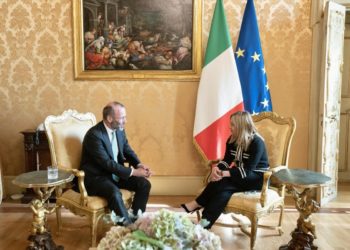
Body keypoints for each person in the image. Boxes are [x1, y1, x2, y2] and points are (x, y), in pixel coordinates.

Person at [181, 111, 269, 229]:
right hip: (240, 174)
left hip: (257, 178)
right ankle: (203, 224)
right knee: (223, 192)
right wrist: (216, 169)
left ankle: (197, 204)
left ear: (241, 125)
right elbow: (227, 160)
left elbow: (248, 171)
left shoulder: (257, 142)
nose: (230, 127)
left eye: (232, 124)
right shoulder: (232, 139)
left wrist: (223, 173)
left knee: (222, 181)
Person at [80, 101, 152, 225]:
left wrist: (138, 165)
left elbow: (127, 149)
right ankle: (127, 228)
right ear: (109, 118)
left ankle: (136, 219)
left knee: (144, 184)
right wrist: (134, 172)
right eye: (122, 118)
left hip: (115, 175)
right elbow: (106, 163)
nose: (125, 121)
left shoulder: (119, 130)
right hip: (97, 177)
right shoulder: (94, 135)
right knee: (114, 193)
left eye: (125, 117)